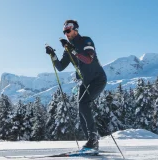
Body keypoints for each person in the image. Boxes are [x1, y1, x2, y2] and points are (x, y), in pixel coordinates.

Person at [45, 19, 107, 153]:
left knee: (84, 104)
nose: (66, 33)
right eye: (64, 32)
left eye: (68, 30)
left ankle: (93, 139)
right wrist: (52, 54)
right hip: (85, 81)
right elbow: (60, 67)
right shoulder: (68, 48)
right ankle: (91, 142)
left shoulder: (86, 41)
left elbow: (89, 59)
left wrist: (72, 50)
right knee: (81, 109)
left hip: (98, 79)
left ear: (75, 29)